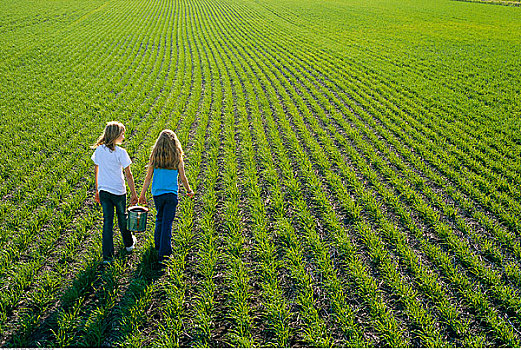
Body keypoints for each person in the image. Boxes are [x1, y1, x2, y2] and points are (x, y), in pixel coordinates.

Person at [138, 129, 194, 265]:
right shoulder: (177, 157)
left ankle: (158, 245)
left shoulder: (155, 157)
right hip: (171, 194)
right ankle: (165, 254)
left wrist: (142, 195)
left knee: (160, 218)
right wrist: (189, 190)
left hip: (157, 194)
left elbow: (148, 178)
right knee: (167, 223)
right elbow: (183, 177)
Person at [91, 121, 138, 264]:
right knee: (122, 218)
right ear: (116, 135)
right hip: (118, 192)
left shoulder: (99, 151)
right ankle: (129, 245)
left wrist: (97, 189)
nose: (124, 136)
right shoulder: (121, 153)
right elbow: (129, 175)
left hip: (104, 191)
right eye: (122, 134)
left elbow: (96, 171)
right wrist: (134, 194)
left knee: (107, 222)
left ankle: (107, 257)